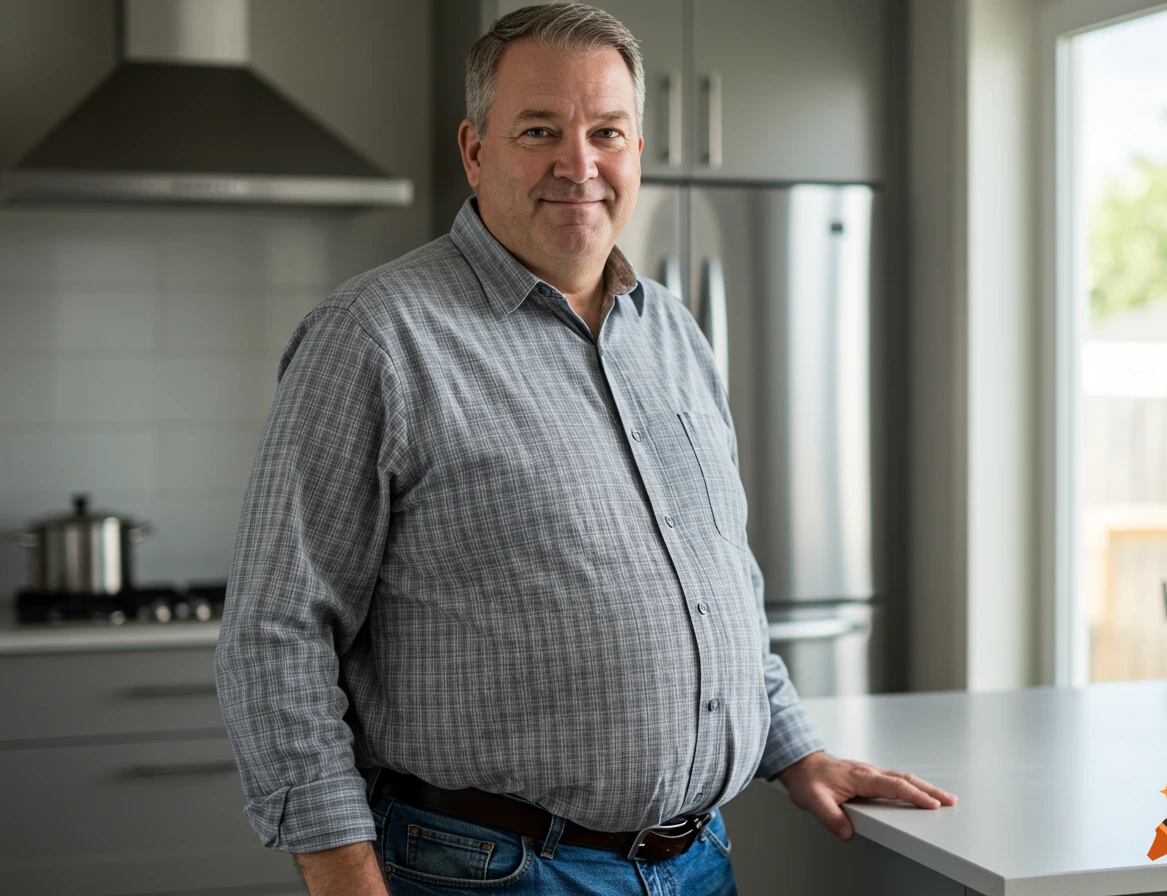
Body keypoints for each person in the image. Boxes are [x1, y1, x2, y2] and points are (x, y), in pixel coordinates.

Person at [213, 4, 957, 895]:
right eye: (540, 130)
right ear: (475, 150)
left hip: (698, 863)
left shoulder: (673, 330)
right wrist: (341, 876)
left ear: (638, 149)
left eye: (607, 131)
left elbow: (718, 579)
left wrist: (797, 752)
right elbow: (276, 630)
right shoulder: (376, 337)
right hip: (492, 873)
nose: (580, 164)